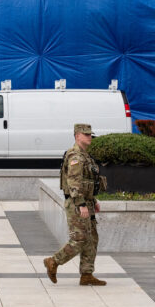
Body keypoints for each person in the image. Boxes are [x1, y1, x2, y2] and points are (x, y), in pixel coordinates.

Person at [43, 123, 108, 287]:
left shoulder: (86, 156)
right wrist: (81, 204)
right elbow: (74, 183)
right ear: (77, 136)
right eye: (85, 134)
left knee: (92, 238)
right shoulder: (75, 157)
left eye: (90, 135)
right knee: (80, 239)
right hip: (76, 203)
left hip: (87, 202)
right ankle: (53, 261)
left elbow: (88, 182)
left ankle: (87, 274)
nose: (89, 137)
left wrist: (93, 201)